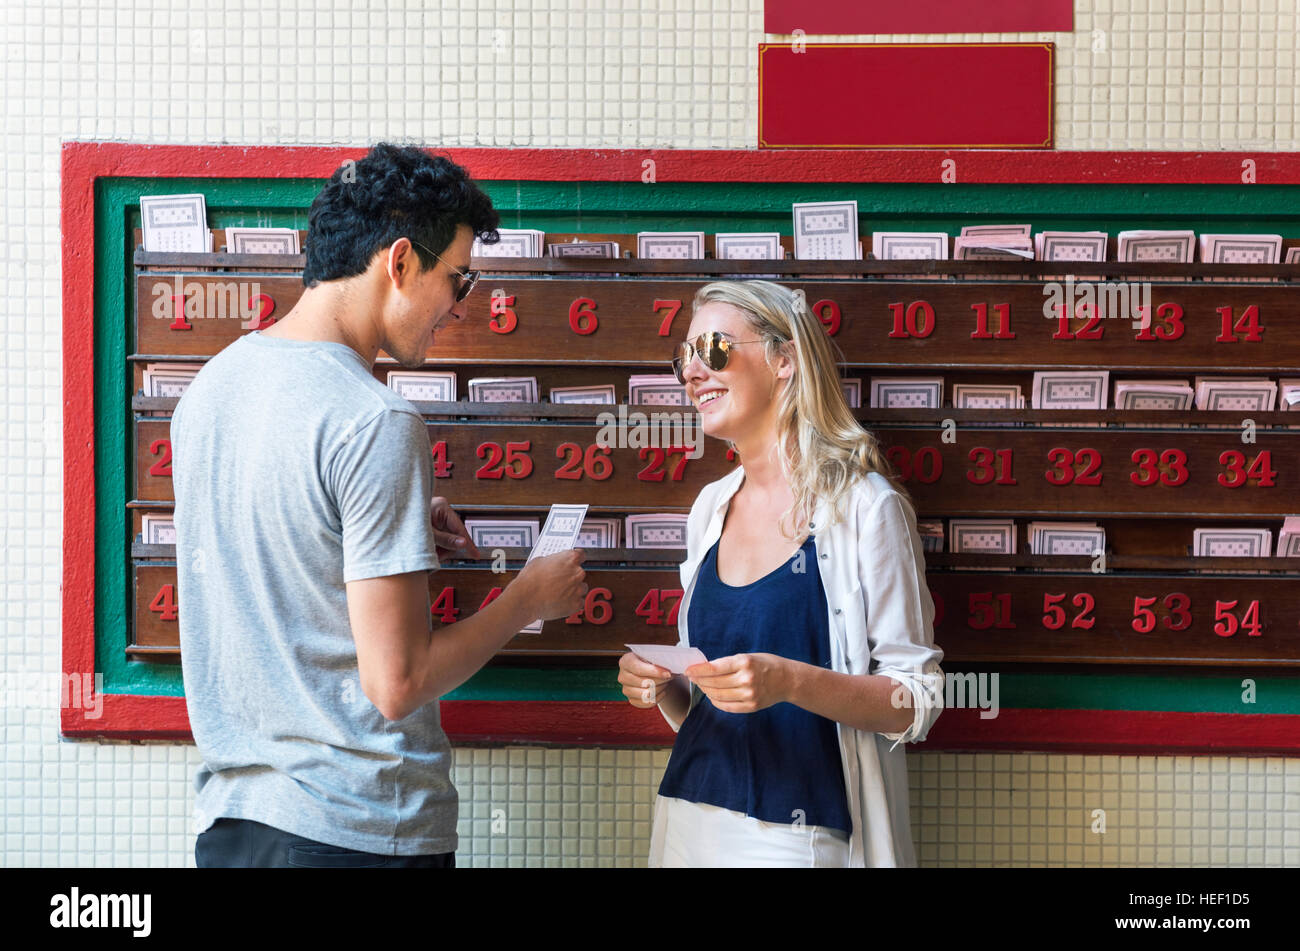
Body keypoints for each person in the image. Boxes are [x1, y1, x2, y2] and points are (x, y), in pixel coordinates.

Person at [173, 144, 586, 868]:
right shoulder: (377, 422)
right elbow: (397, 682)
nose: (459, 309)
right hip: (359, 831)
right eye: (458, 279)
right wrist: (527, 597)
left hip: (234, 827)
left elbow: (286, 539)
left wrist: (386, 529)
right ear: (399, 263)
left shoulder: (211, 386)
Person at [617, 279, 944, 867]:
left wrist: (790, 682)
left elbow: (915, 701)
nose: (692, 372)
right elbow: (714, 698)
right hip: (688, 821)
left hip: (802, 838)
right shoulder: (709, 509)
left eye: (713, 349)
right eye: (683, 358)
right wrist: (668, 687)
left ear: (784, 358)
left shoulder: (866, 507)